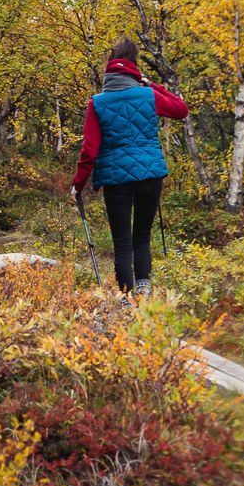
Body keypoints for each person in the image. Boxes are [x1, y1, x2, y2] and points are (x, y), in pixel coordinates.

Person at [72, 37, 189, 297]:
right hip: (150, 175)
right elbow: (181, 110)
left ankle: (126, 297)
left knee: (122, 242)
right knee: (142, 237)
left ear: (108, 70)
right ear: (134, 66)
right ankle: (144, 291)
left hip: (115, 180)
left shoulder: (97, 102)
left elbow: (89, 150)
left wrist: (78, 185)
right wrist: (151, 84)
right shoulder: (148, 94)